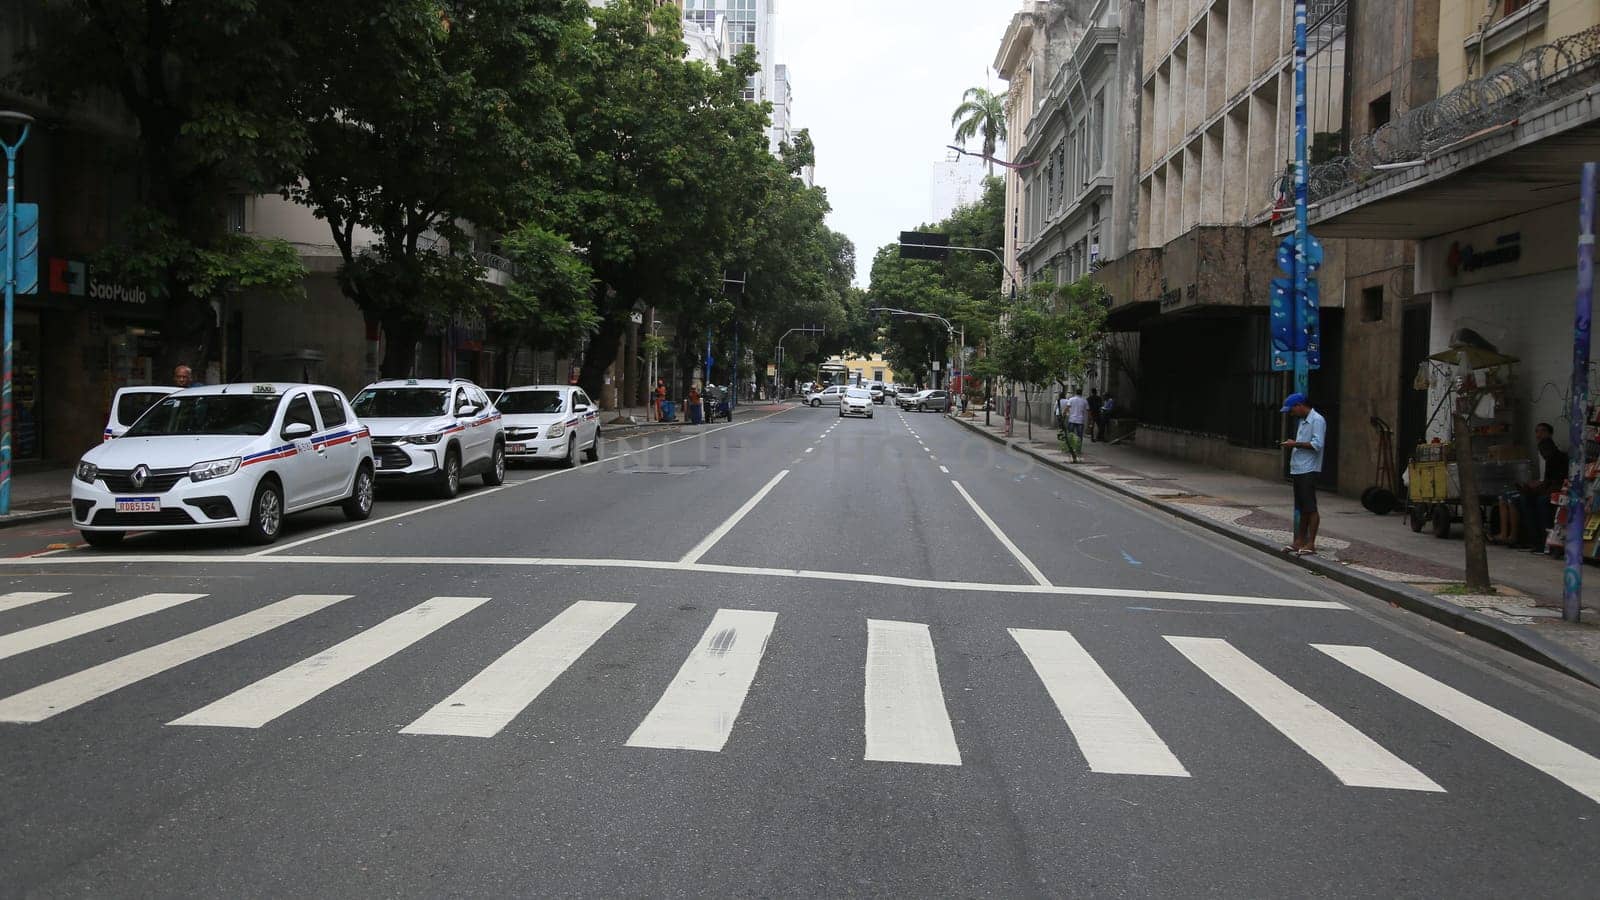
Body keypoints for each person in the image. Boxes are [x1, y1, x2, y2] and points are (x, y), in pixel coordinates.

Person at [1494, 423, 1568, 551]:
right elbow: (1545, 479)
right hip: (1545, 488)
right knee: (1515, 497)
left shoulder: (1556, 455)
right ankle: (1524, 539)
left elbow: (1555, 481)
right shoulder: (1543, 454)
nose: (1539, 434)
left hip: (1554, 490)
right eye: (1537, 431)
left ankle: (1541, 542)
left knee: (1537, 501)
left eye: (1543, 431)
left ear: (1550, 434)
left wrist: (1540, 486)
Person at [1279, 392, 1326, 556]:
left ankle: (1311, 543)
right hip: (1299, 468)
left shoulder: (1317, 420)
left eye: (1292, 410)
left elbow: (1317, 444)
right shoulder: (1303, 421)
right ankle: (1299, 541)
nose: (1291, 414)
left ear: (1299, 406)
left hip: (1309, 469)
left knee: (1310, 507)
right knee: (1302, 507)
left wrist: (1295, 444)